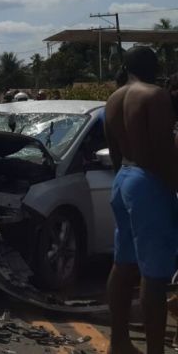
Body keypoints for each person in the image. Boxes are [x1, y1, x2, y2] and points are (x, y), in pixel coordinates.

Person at [105, 47, 178, 354]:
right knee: (155, 274)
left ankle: (119, 342)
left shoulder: (113, 98)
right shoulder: (155, 95)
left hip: (123, 178)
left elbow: (114, 152)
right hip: (149, 181)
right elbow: (163, 153)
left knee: (123, 265)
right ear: (155, 67)